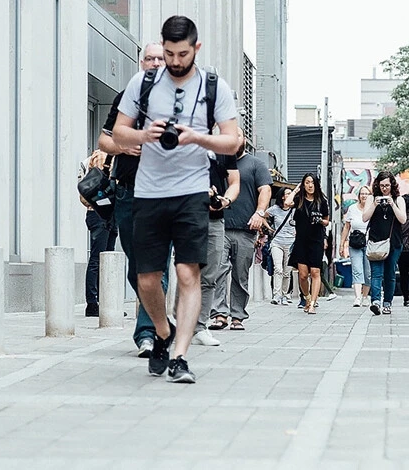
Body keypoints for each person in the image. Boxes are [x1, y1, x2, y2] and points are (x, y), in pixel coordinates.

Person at [112, 16, 241, 383]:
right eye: (168, 53)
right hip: (149, 192)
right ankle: (163, 333)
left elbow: (233, 141)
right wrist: (143, 134)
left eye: (181, 54)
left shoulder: (214, 86)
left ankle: (180, 356)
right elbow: (117, 133)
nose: (174, 61)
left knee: (188, 273)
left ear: (195, 49)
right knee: (147, 279)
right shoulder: (144, 82)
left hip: (192, 192)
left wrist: (197, 138)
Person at [98, 42, 163, 357]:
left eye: (159, 59)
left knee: (156, 265)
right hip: (128, 190)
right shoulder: (127, 98)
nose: (153, 63)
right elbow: (103, 139)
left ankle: (148, 333)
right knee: (136, 268)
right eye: (149, 58)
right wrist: (123, 147)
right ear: (141, 63)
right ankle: (158, 315)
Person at [210, 143, 272, 330]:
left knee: (240, 274)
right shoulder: (216, 162)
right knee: (218, 270)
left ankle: (237, 315)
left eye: (238, 136)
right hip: (219, 225)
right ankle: (220, 314)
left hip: (246, 229)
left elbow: (266, 190)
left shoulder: (255, 164)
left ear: (244, 140)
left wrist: (260, 213)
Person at [192, 147, 240, 347]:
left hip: (215, 219)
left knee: (210, 275)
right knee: (188, 272)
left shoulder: (224, 147)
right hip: (187, 215)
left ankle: (200, 328)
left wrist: (225, 199)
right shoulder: (183, 140)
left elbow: (234, 182)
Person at [77, 150, 119, 318]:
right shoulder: (104, 156)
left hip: (102, 213)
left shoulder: (94, 157)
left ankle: (102, 303)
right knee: (99, 258)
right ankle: (93, 303)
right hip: (101, 212)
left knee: (105, 259)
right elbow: (104, 187)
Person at [362, 171, 407, 315]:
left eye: (387, 185)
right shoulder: (371, 199)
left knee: (390, 274)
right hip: (376, 242)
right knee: (376, 274)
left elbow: (403, 219)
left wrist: (392, 204)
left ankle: (387, 302)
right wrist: (374, 205)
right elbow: (364, 218)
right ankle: (375, 301)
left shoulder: (399, 200)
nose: (384, 189)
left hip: (394, 243)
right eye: (382, 186)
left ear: (392, 185)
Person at [285, 173, 330, 314]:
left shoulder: (321, 201)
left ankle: (313, 304)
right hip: (301, 241)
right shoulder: (299, 200)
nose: (310, 185)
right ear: (303, 185)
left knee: (315, 271)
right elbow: (287, 203)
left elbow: (327, 220)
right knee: (303, 275)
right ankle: (307, 297)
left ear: (316, 185)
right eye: (307, 183)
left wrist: (320, 221)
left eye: (312, 183)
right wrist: (296, 190)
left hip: (316, 240)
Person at [340, 186, 372, 307]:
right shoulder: (352, 209)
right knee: (357, 269)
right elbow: (347, 227)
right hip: (355, 243)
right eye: (362, 193)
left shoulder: (372, 209)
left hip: (369, 243)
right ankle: (358, 297)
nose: (364, 196)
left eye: (366, 194)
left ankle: (365, 296)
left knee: (368, 272)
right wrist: (342, 244)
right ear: (358, 196)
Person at [266, 187, 295, 305]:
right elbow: (263, 215)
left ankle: (284, 294)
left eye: (291, 193)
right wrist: (269, 228)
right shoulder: (275, 209)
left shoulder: (295, 210)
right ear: (282, 196)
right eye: (287, 193)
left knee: (287, 272)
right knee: (278, 268)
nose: (290, 195)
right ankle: (276, 295)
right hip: (277, 242)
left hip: (291, 243)